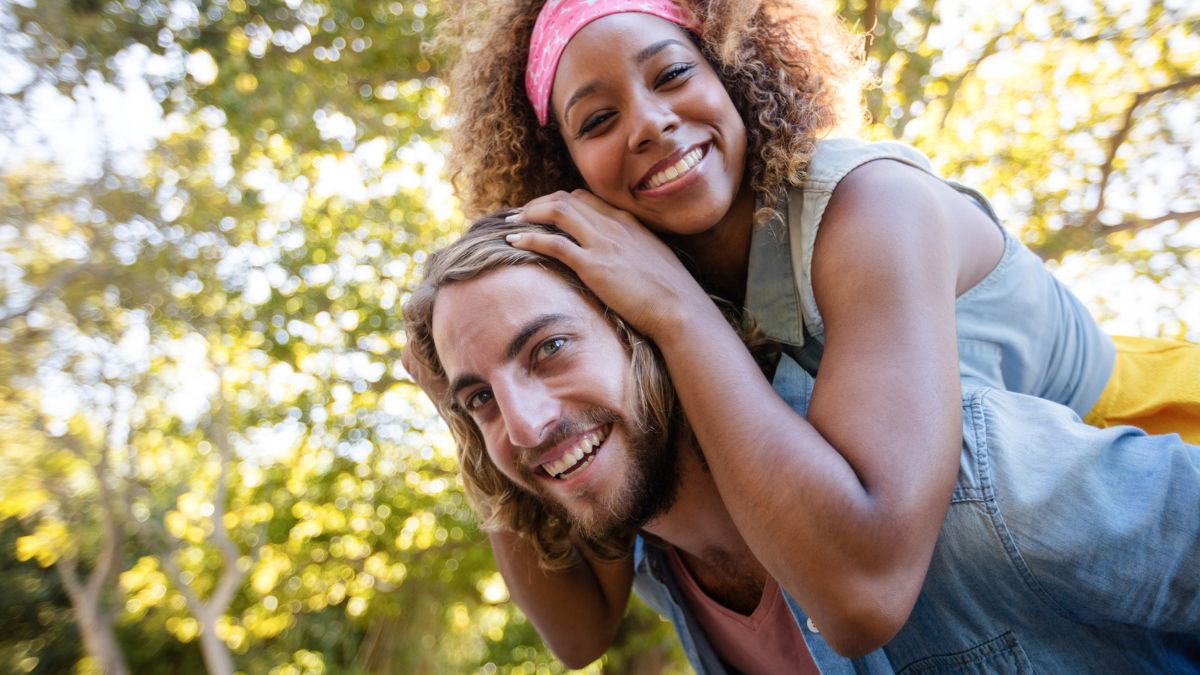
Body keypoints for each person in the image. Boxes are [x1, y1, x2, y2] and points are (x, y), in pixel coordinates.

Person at [402, 216, 1200, 673]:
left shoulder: (966, 483)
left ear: (642, 327)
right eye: (477, 399)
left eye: (548, 349)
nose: (527, 423)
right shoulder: (659, 573)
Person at [439, 0, 1200, 444]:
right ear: (565, 169)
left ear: (732, 74)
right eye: (598, 119)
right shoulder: (626, 298)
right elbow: (581, 631)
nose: (648, 124)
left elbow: (867, 559)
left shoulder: (866, 203)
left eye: (672, 74)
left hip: (1152, 443)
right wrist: (457, 389)